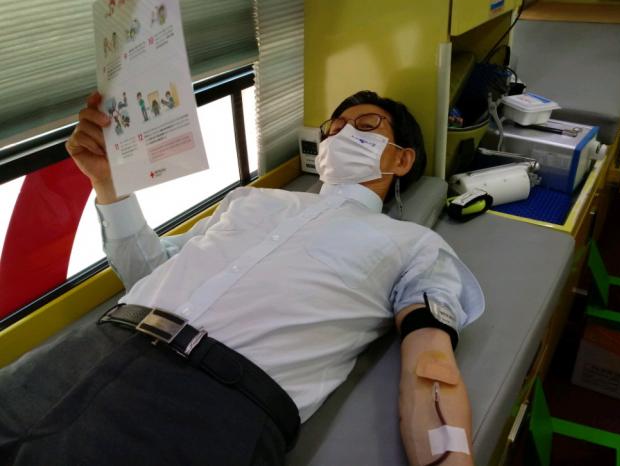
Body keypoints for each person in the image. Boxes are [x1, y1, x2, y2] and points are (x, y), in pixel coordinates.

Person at [0, 90, 483, 466]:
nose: (340, 134)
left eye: (366, 125)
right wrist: (109, 185)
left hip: (209, 406)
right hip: (86, 350)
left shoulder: (412, 244)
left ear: (401, 159)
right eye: (333, 128)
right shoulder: (252, 199)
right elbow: (148, 271)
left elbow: (431, 366)